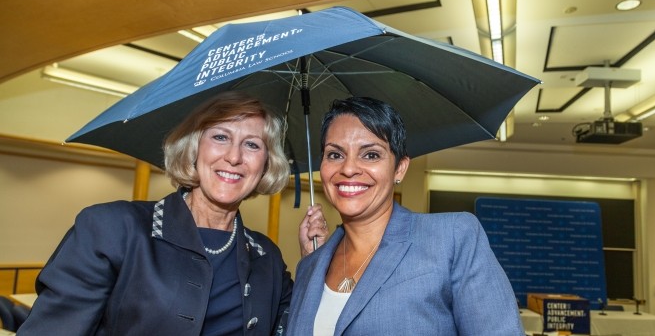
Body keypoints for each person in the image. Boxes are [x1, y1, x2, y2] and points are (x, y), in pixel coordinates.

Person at [18, 91, 328, 335]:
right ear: (194, 149)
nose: (234, 157)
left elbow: (297, 327)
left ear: (266, 165)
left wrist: (313, 263)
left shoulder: (267, 257)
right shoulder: (112, 230)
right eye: (220, 137)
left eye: (252, 144)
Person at [286, 97, 523, 335]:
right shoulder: (310, 266)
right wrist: (311, 257)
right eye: (335, 155)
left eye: (370, 155)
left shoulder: (452, 238)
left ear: (399, 168)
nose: (348, 169)